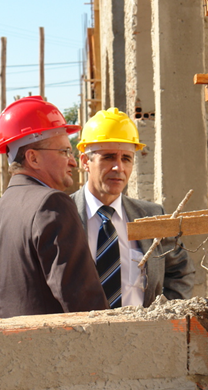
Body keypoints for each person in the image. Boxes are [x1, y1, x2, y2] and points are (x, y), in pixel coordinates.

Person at [0, 96, 108, 318]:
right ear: (33, 158)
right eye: (64, 151)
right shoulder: (51, 205)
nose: (73, 161)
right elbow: (85, 306)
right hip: (57, 342)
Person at [71, 107, 195, 308]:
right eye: (108, 157)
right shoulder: (62, 216)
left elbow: (181, 270)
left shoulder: (152, 216)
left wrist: (165, 316)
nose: (118, 167)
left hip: (141, 328)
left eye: (126, 159)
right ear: (85, 161)